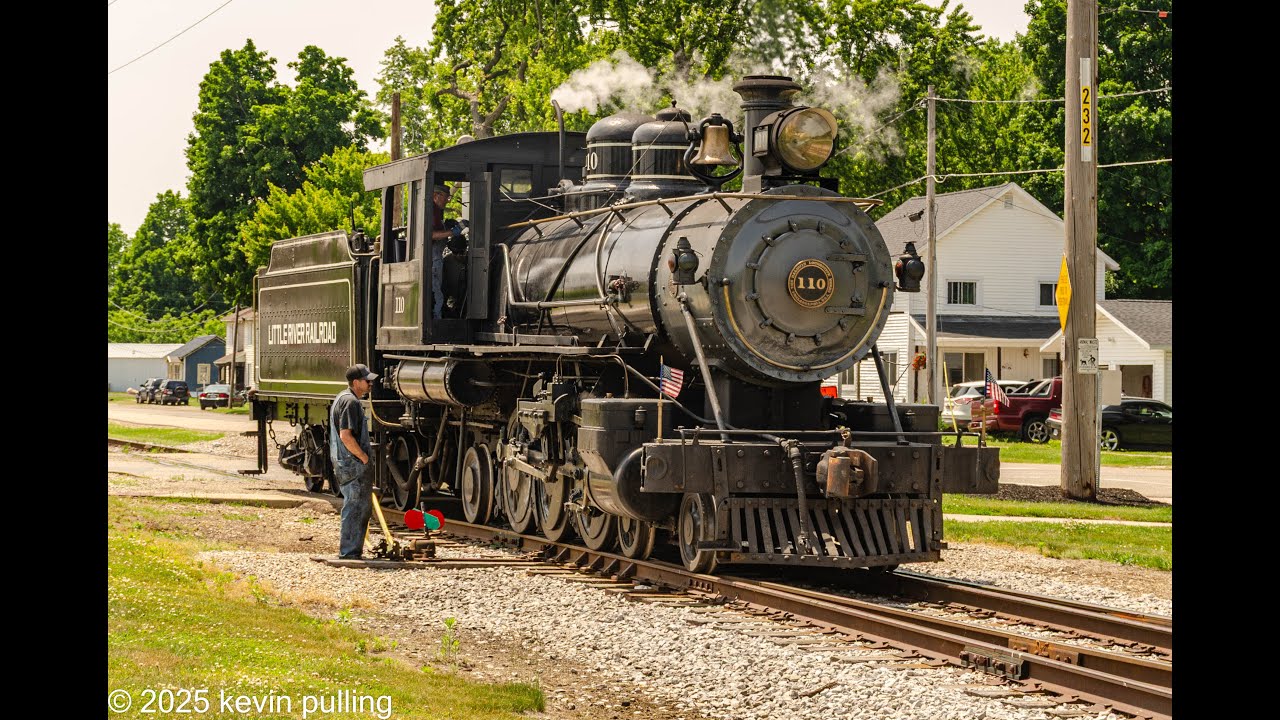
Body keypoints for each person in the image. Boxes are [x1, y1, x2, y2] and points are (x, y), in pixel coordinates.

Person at [331, 363, 377, 559]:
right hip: (353, 465)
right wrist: (364, 457)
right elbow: (346, 435)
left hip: (345, 462)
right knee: (356, 507)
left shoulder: (341, 398)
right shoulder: (351, 403)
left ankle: (351, 550)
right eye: (367, 381)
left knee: (356, 505)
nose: (370, 384)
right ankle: (350, 552)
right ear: (356, 382)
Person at [429, 183, 463, 319]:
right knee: (437, 294)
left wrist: (447, 225)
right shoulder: (430, 210)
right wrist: (452, 232)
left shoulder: (436, 211)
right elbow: (431, 235)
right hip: (431, 258)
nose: (447, 200)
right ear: (436, 196)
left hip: (436, 257)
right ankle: (436, 320)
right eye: (446, 197)